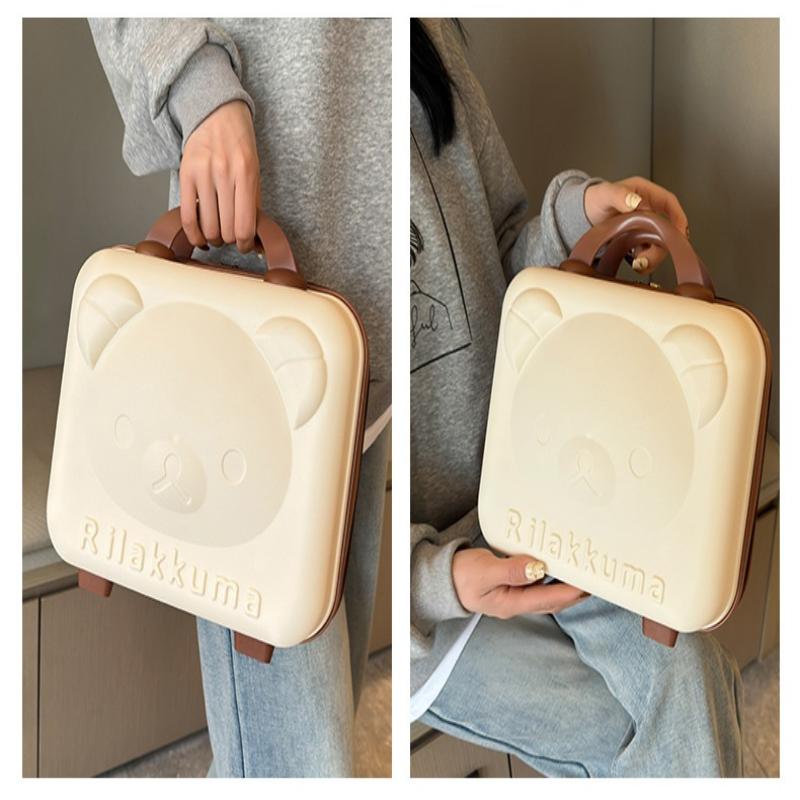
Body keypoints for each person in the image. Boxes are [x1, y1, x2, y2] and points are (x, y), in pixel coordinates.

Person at [410, 19, 742, 778]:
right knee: (651, 740)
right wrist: (434, 580)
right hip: (431, 595)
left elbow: (498, 262)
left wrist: (578, 215)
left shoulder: (427, 36)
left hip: (556, 499)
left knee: (691, 675)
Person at [90, 17, 391, 778]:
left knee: (316, 731)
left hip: (364, 334)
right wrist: (197, 82)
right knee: (298, 763)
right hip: (250, 342)